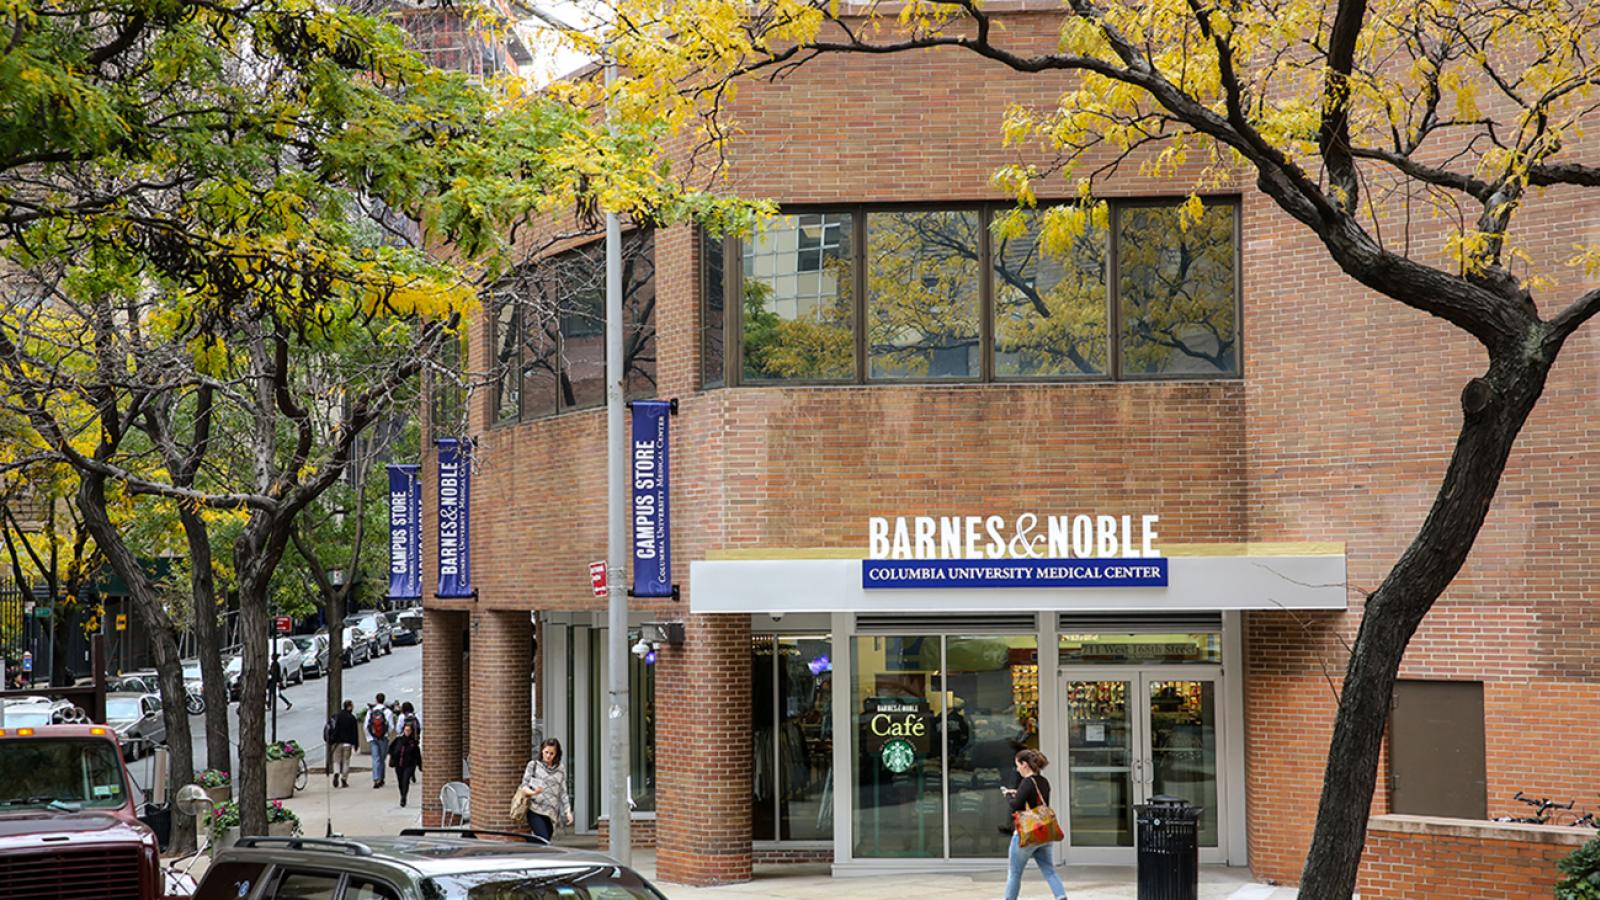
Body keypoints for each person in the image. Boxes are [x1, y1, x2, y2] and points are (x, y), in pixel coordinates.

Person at [1003, 749, 1068, 900]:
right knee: (1049, 870)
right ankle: (1061, 896)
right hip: (1044, 833)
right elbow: (1037, 803)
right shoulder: (1043, 781)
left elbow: (1016, 806)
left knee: (1014, 873)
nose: (1017, 768)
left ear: (1024, 765)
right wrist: (1017, 793)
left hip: (1027, 834)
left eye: (1018, 765)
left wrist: (1008, 795)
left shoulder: (1027, 782)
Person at [519, 738, 573, 842]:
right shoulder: (533, 765)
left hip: (551, 813)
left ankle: (530, 853)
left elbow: (563, 791)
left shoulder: (560, 769)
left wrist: (568, 811)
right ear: (542, 751)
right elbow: (524, 787)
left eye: (552, 753)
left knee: (542, 841)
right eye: (546, 752)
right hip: (535, 809)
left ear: (556, 754)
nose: (548, 756)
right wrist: (534, 792)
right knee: (543, 839)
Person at [388, 720, 423, 807]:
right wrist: (393, 757)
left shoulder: (413, 743)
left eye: (409, 730)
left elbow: (417, 755)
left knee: (405, 780)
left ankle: (404, 797)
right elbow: (391, 749)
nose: (407, 732)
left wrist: (420, 765)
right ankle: (402, 794)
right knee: (400, 781)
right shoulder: (398, 740)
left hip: (409, 765)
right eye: (406, 730)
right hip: (399, 764)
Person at [328, 700, 360, 788]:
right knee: (346, 761)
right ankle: (344, 778)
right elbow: (355, 732)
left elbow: (333, 728)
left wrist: (332, 740)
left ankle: (336, 772)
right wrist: (356, 744)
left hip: (337, 742)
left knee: (336, 761)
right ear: (349, 707)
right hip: (348, 743)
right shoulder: (352, 718)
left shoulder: (338, 716)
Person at [366, 693, 394, 788]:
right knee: (382, 758)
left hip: (373, 738)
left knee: (375, 758)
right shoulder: (388, 712)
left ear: (376, 700)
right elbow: (391, 726)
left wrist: (370, 736)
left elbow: (366, 725)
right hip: (383, 738)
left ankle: (376, 778)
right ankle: (381, 778)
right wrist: (385, 734)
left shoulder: (370, 711)